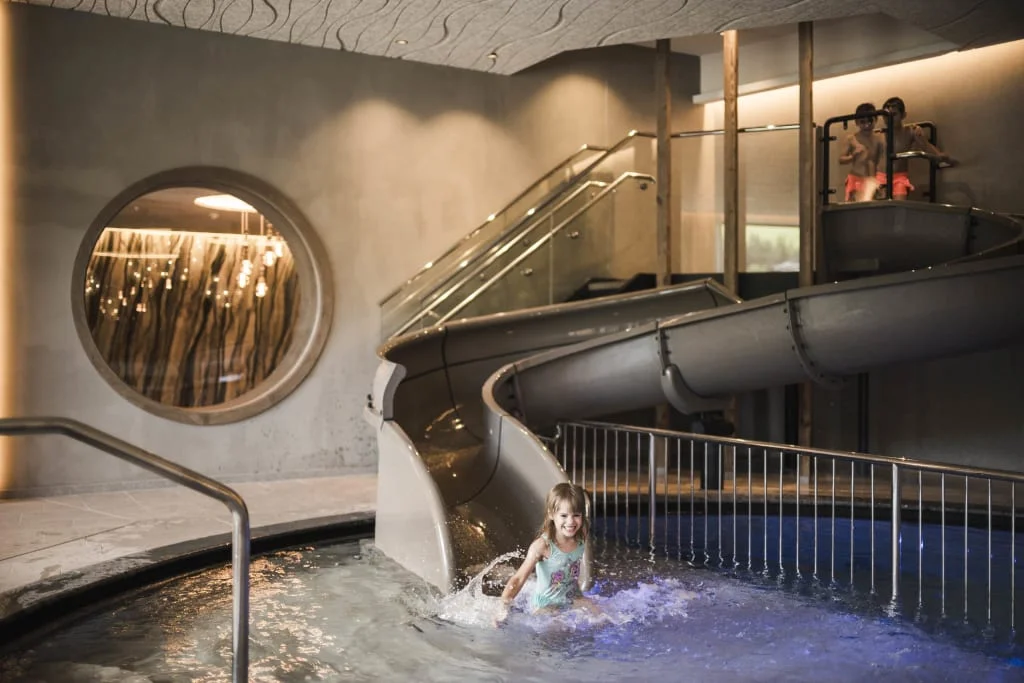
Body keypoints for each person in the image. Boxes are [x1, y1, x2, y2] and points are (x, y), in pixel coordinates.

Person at [501, 482, 589, 612]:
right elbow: (518, 579)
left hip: (572, 597)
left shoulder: (581, 533)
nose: (571, 522)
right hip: (547, 604)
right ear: (552, 515)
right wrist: (503, 607)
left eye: (576, 515)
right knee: (560, 630)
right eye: (564, 515)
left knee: (603, 621)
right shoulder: (542, 546)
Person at [876, 96, 951, 200]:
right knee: (877, 206)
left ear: (903, 115)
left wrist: (941, 157)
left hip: (899, 177)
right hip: (880, 177)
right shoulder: (879, 134)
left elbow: (926, 147)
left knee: (899, 206)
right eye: (886, 116)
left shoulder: (910, 131)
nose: (889, 119)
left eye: (894, 114)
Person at [838, 102, 885, 202]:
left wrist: (879, 180)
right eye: (862, 122)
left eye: (869, 121)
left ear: (875, 120)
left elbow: (882, 160)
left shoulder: (879, 138)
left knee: (870, 208)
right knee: (853, 209)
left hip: (871, 179)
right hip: (855, 177)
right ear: (856, 122)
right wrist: (852, 156)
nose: (866, 125)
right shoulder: (852, 138)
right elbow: (841, 159)